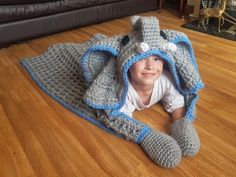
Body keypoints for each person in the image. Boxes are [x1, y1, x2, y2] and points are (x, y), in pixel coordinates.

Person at [120, 54, 186, 122]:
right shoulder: (121, 91)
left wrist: (181, 127)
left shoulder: (166, 80)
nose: (150, 66)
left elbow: (177, 104)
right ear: (128, 62)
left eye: (156, 59)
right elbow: (122, 120)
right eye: (141, 58)